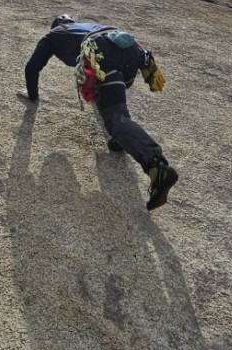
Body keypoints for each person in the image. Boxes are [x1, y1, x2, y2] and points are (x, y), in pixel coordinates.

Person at [22, 14, 179, 210]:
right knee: (113, 106)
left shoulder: (54, 34)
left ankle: (157, 164)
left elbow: (32, 68)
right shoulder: (90, 25)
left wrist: (32, 97)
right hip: (131, 54)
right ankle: (121, 138)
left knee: (114, 116)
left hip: (101, 54)